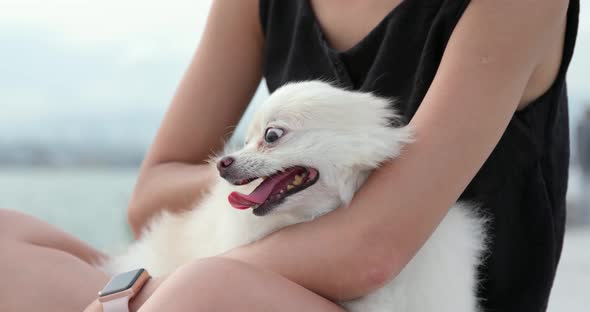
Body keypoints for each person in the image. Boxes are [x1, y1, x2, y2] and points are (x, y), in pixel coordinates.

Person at [0, 0, 579, 311]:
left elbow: (371, 253)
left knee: (205, 298)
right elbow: (151, 192)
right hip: (234, 282)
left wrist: (165, 291)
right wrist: (278, 171)